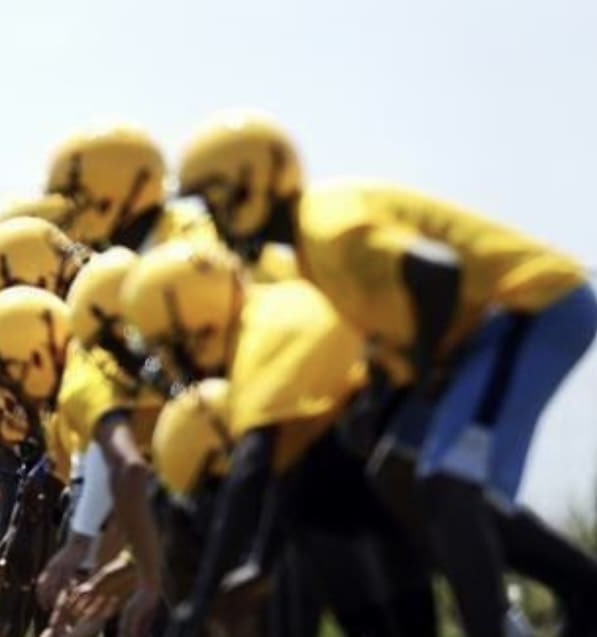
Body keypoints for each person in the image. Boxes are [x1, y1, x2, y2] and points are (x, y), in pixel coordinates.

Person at [176, 110, 597, 637]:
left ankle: (515, 619)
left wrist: (426, 366)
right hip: (479, 334)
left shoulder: (328, 226)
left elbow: (434, 271)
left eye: (213, 201)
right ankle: (567, 595)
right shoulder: (310, 254)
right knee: (395, 471)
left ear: (248, 185)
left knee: (447, 482)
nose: (214, 220)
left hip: (533, 306)